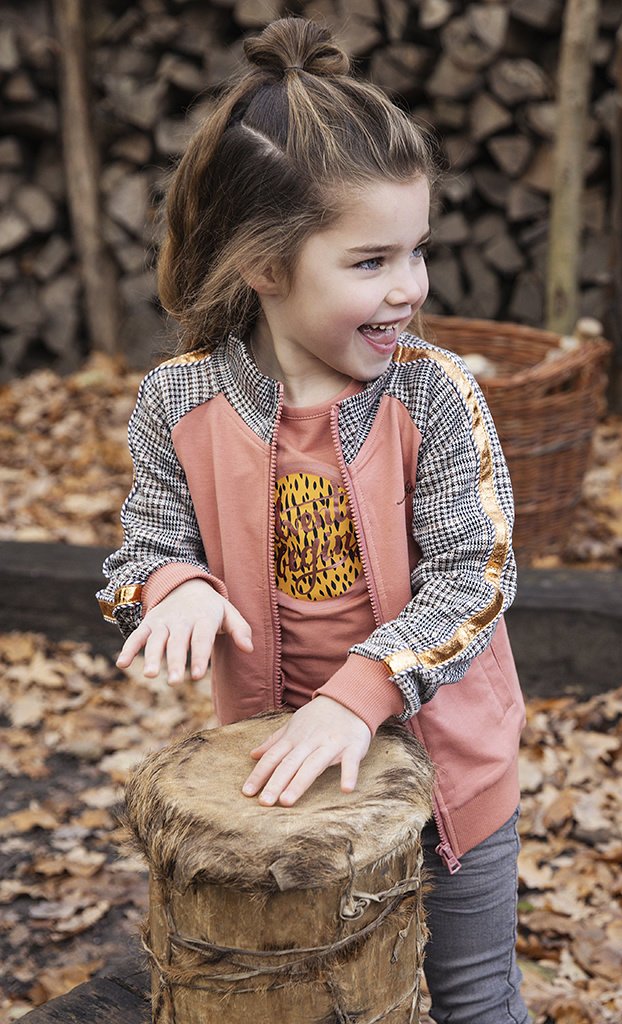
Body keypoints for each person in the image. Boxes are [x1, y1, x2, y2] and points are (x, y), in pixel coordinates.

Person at [97, 17, 530, 1024]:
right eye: (372, 260)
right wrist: (172, 586)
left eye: (417, 252)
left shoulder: (434, 397)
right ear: (264, 266)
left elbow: (477, 577)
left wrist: (359, 691)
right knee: (296, 1000)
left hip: (449, 769)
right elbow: (142, 548)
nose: (410, 289)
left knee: (473, 999)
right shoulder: (181, 402)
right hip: (285, 784)